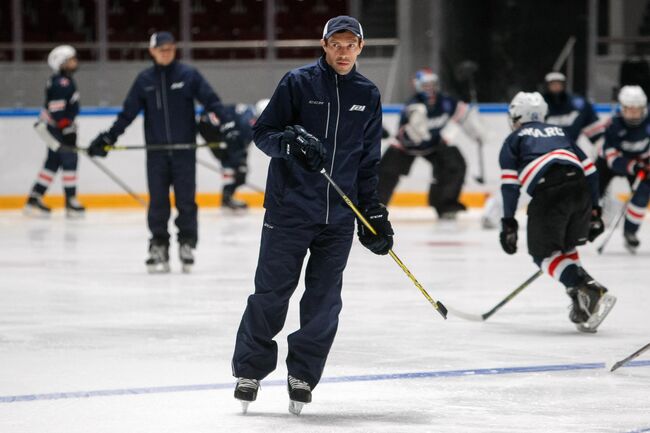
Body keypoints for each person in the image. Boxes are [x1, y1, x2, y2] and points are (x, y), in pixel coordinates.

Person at [231, 16, 391, 415]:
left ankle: (302, 373)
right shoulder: (298, 82)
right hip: (289, 210)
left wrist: (371, 212)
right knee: (271, 292)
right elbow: (263, 132)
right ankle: (250, 370)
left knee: (324, 300)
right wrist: (289, 144)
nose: (342, 51)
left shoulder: (367, 94)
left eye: (350, 44)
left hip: (337, 217)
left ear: (360, 47)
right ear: (323, 45)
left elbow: (368, 161)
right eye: (335, 43)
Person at [87, 31, 235, 273]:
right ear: (152, 51)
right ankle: (158, 245)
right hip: (156, 153)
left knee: (186, 201)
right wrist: (108, 138)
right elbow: (127, 114)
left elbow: (212, 101)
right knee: (158, 202)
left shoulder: (188, 75)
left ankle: (186, 243)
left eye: (170, 49)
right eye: (162, 49)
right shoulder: (144, 80)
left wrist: (227, 124)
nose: (166, 53)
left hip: (183, 152)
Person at [498, 91, 616, 333]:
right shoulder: (561, 132)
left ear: (517, 116)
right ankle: (581, 300)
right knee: (565, 247)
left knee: (542, 254)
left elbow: (510, 186)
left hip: (550, 194)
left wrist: (509, 222)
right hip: (581, 191)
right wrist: (594, 210)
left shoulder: (514, 139)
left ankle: (588, 289)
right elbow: (591, 170)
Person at [482, 71, 606, 229]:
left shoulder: (578, 105)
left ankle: (594, 212)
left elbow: (597, 136)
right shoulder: (538, 105)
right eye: (552, 83)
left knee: (589, 182)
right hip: (541, 157)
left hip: (565, 153)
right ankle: (494, 213)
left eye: (558, 83)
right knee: (522, 184)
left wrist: (603, 152)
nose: (555, 87)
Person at [377, 68, 486, 219]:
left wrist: (476, 132)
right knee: (386, 171)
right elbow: (404, 134)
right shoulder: (412, 105)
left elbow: (463, 114)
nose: (430, 89)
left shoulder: (447, 102)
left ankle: (446, 205)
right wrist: (413, 131)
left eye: (432, 84)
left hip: (434, 145)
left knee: (455, 164)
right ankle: (376, 206)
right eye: (425, 85)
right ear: (417, 86)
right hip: (405, 147)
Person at [25, 45, 85, 217]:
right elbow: (57, 109)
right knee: (70, 159)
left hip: (54, 128)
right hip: (57, 128)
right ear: (61, 63)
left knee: (53, 162)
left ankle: (34, 198)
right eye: (71, 59)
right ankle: (71, 201)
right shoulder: (62, 82)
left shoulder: (62, 80)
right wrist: (66, 127)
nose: (75, 62)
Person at [598, 85, 650, 252]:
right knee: (591, 192)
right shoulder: (613, 124)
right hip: (608, 164)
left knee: (643, 193)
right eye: (629, 110)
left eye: (637, 110)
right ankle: (586, 225)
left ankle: (630, 232)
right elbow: (611, 158)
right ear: (622, 108)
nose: (634, 114)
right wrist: (632, 166)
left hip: (639, 163)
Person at [197, 99, 268, 211]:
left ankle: (227, 196)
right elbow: (237, 143)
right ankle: (227, 196)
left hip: (212, 127)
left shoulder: (250, 111)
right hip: (210, 128)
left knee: (234, 166)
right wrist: (241, 164)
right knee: (237, 168)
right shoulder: (249, 123)